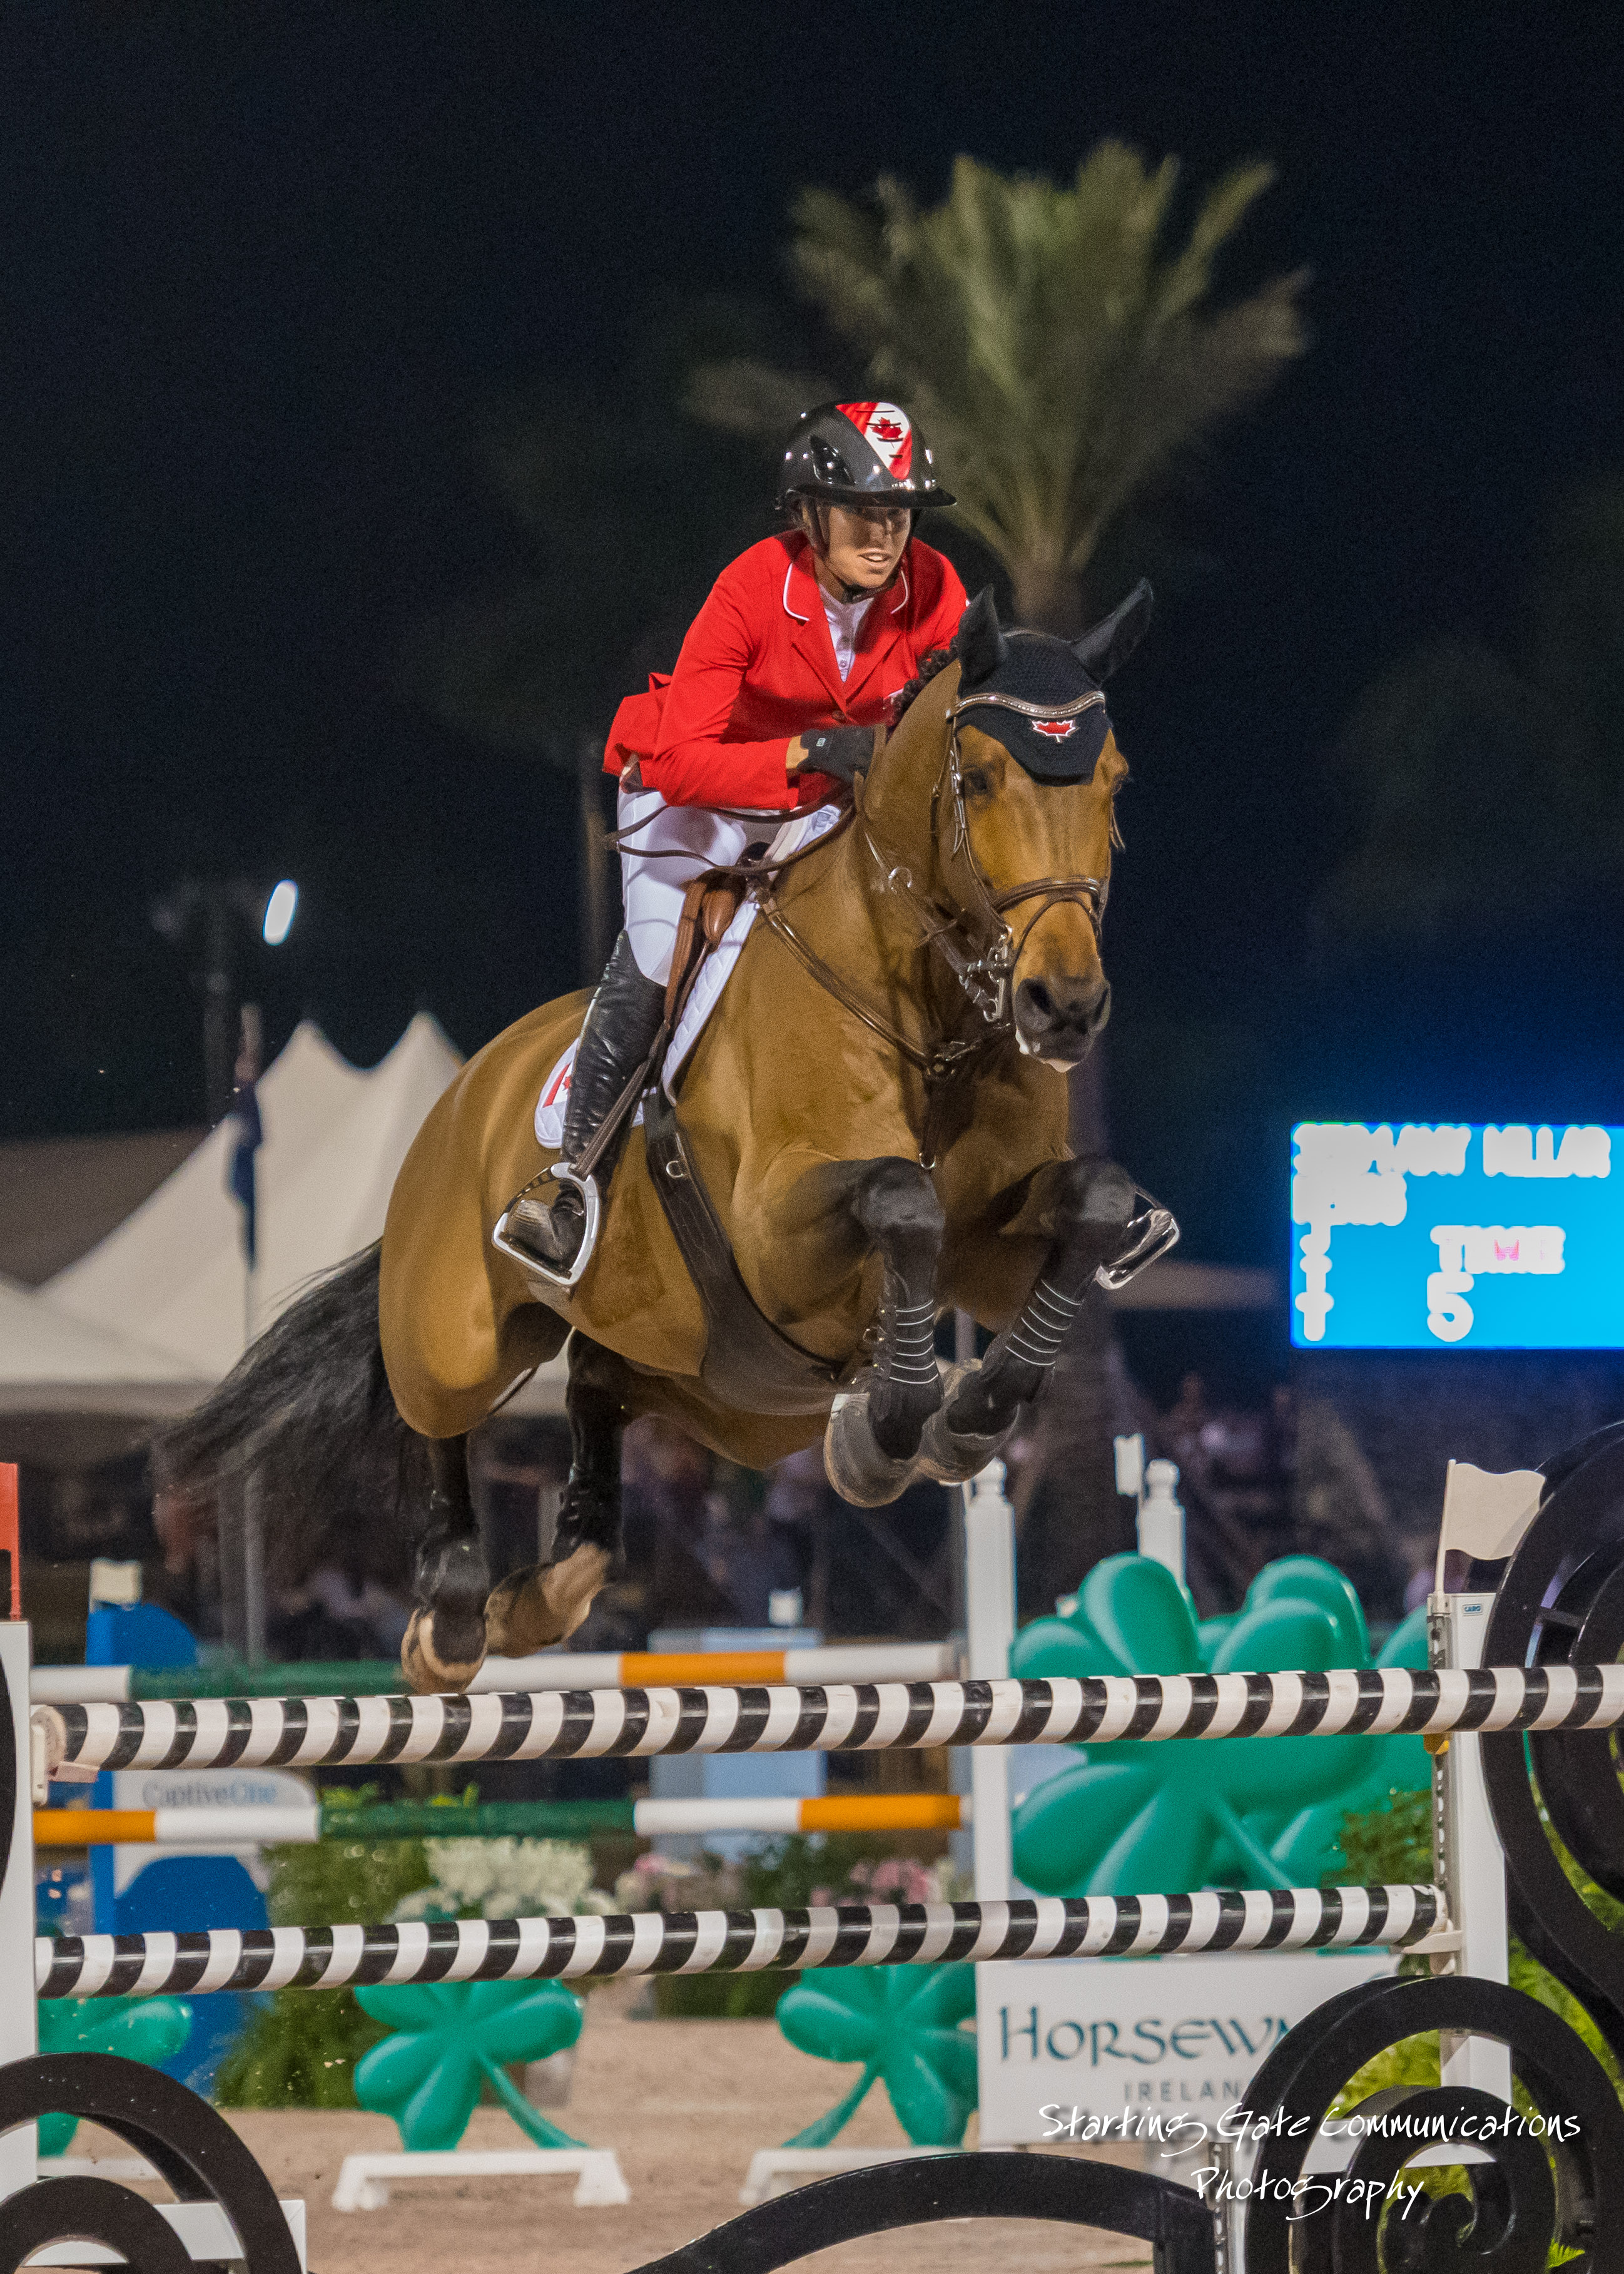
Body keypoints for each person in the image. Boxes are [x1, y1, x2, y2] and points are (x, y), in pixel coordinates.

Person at [505, 400, 967, 1279]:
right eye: (863, 512)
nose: (885, 535)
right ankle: (572, 1185)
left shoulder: (937, 590)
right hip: (695, 792)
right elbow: (685, 759)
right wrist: (806, 750)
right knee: (658, 950)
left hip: (822, 803)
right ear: (810, 515)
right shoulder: (753, 587)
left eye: (900, 514)